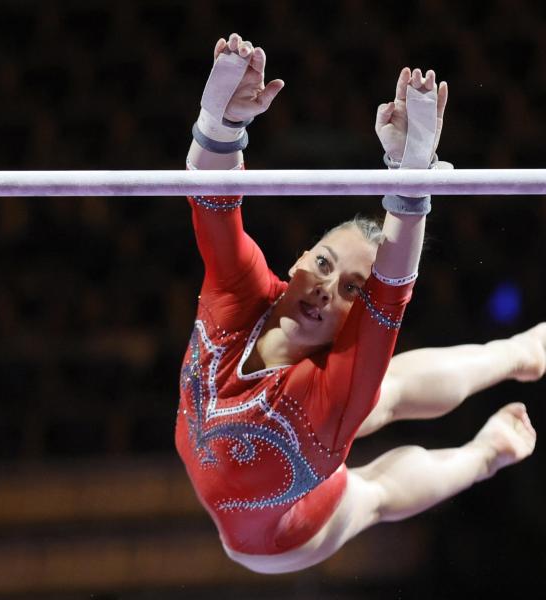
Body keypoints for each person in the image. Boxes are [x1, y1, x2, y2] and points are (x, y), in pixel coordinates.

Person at [175, 33, 545, 574]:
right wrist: (221, 123)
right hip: (303, 448)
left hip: (284, 537)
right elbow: (211, 200)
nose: (327, 286)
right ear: (300, 258)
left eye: (351, 289)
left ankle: (484, 452)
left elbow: (393, 284)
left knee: (371, 487)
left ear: (357, 319)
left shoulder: (333, 387)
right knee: (383, 394)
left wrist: (411, 185)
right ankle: (518, 355)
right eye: (324, 263)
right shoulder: (241, 295)